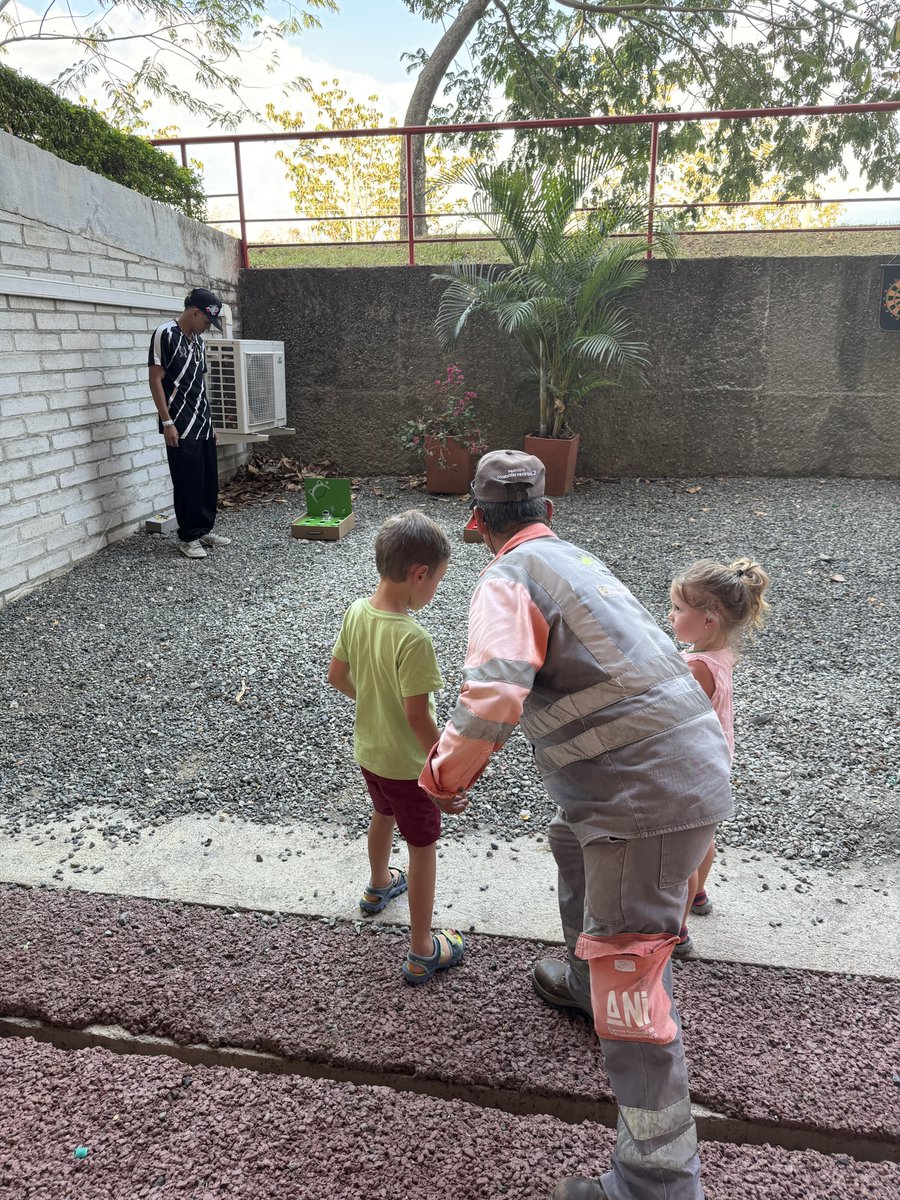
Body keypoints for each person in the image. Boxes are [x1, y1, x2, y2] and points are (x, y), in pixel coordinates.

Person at [419, 451, 733, 1200]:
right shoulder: (576, 560)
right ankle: (585, 982)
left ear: (475, 522)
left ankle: (655, 1181)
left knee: (635, 990)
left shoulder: (506, 579)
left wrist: (440, 779)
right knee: (568, 839)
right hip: (676, 774)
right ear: (547, 513)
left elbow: (494, 696)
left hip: (640, 805)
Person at [327, 510, 466, 985]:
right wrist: (443, 766)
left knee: (382, 815)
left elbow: (338, 676)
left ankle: (378, 886)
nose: (435, 592)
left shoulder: (356, 611)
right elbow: (416, 715)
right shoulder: (413, 637)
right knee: (423, 847)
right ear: (419, 574)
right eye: (437, 582)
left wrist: (372, 703)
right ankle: (422, 949)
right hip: (408, 768)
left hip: (369, 754)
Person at [667, 558, 771, 957]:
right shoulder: (719, 652)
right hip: (714, 761)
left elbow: (664, 710)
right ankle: (699, 897)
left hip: (690, 768)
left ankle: (677, 930)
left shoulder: (695, 667)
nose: (671, 615)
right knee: (703, 836)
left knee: (680, 853)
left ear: (708, 620)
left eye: (678, 609)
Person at [148, 287, 232, 560]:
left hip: (202, 421)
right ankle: (188, 537)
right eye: (207, 322)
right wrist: (167, 422)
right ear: (194, 312)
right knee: (187, 481)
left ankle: (204, 529)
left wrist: (211, 423)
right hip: (179, 423)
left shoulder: (198, 341)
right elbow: (155, 379)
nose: (208, 327)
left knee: (208, 480)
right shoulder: (166, 334)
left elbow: (199, 384)